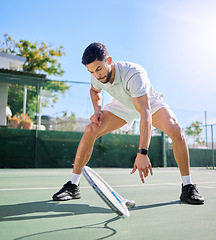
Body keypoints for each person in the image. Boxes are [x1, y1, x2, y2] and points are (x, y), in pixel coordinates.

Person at [53, 43, 204, 205]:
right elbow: (94, 91)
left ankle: (187, 187)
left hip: (148, 104)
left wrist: (142, 153)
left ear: (109, 60)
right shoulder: (95, 77)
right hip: (122, 105)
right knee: (91, 129)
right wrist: (97, 110)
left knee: (176, 130)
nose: (97, 75)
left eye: (99, 69)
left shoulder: (133, 74)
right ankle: (73, 185)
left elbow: (145, 113)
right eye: (91, 71)